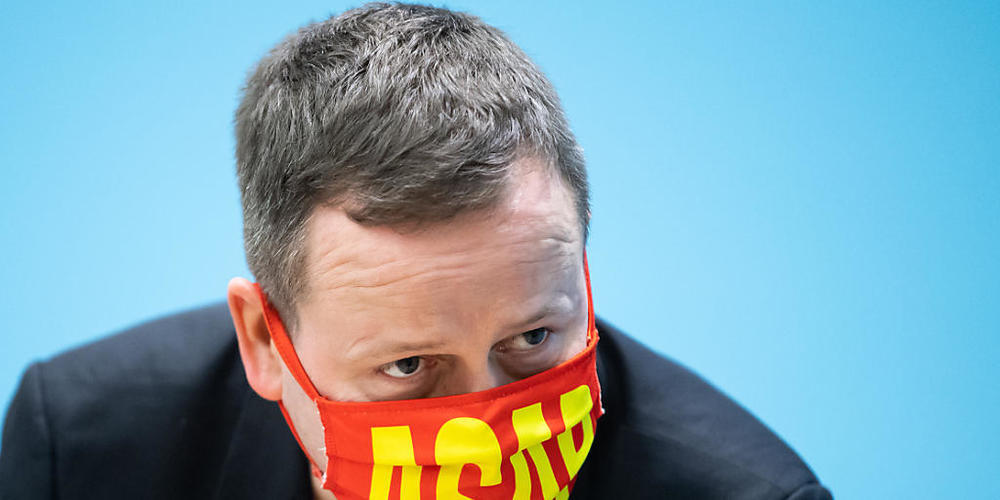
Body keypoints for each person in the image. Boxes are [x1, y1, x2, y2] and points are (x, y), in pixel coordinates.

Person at [0, 3, 832, 499]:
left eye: (533, 337)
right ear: (263, 341)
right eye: (407, 366)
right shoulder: (84, 446)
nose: (491, 435)